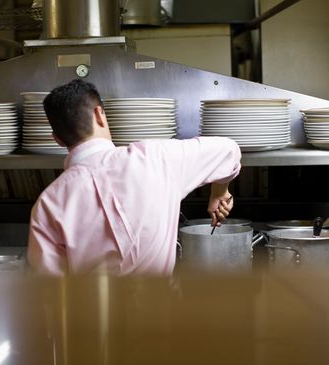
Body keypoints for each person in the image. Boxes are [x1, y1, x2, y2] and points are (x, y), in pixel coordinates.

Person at [27, 79, 241, 276]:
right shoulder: (157, 158)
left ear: (57, 140)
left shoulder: (47, 204)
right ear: (100, 115)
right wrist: (219, 192)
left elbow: (52, 291)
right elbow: (229, 151)